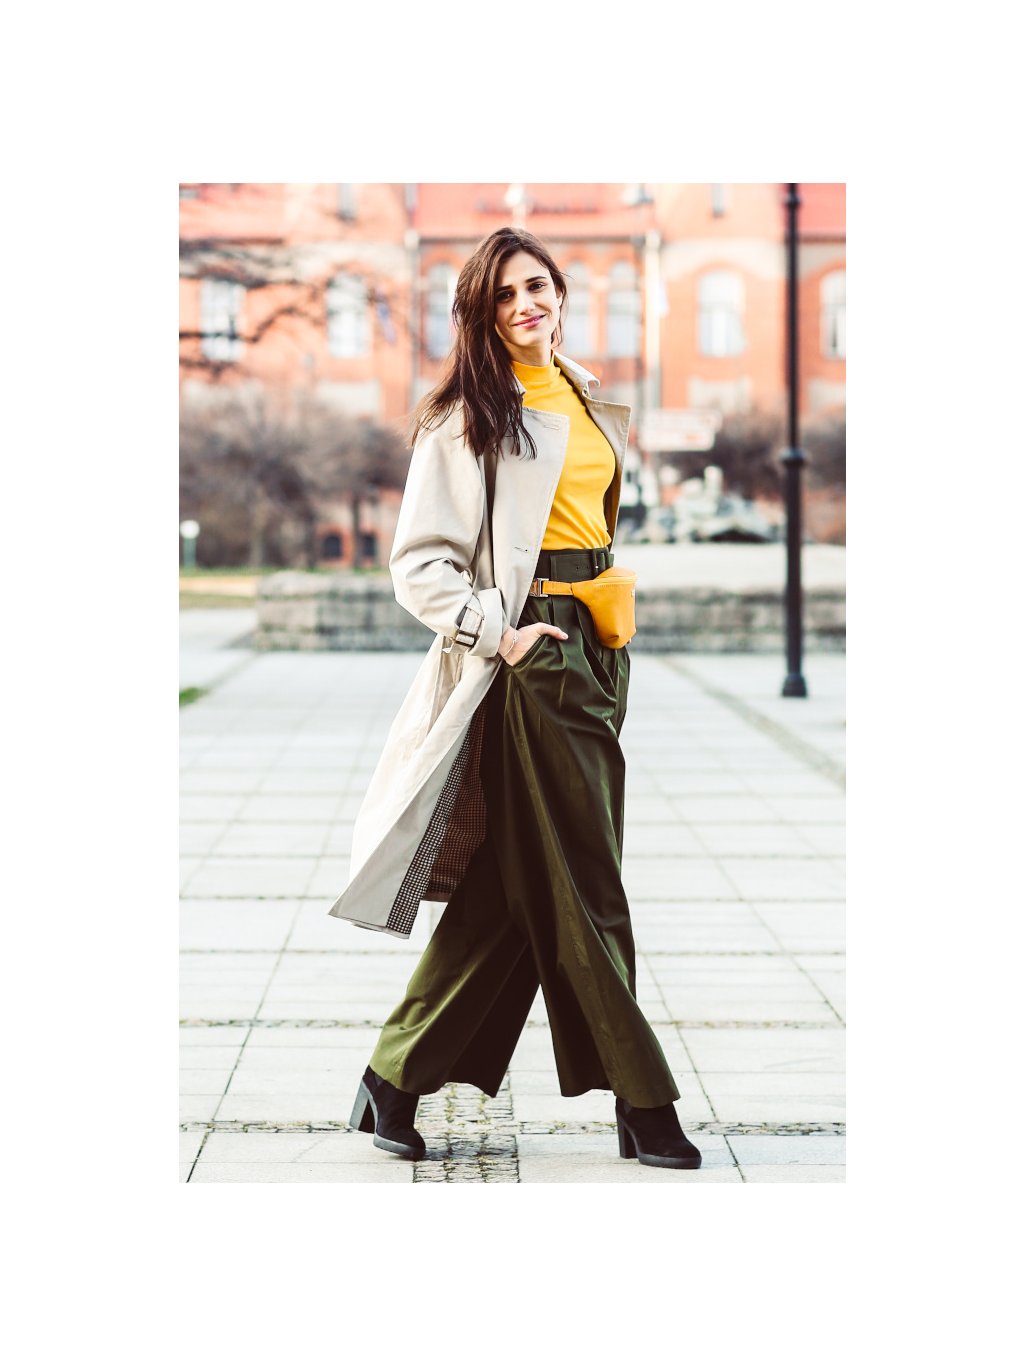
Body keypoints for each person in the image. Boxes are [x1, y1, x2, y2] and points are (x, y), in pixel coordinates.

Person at [335, 227, 701, 1171]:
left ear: (560, 292)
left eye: (537, 285)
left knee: (512, 883)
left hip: (596, 647)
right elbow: (419, 562)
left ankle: (391, 1079)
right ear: (481, 314)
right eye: (504, 295)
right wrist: (499, 634)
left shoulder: (581, 393)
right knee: (587, 878)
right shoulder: (470, 415)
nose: (526, 304)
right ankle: (645, 1100)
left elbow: (583, 523)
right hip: (531, 653)